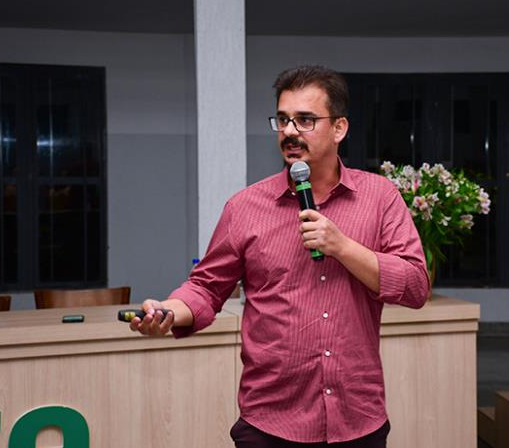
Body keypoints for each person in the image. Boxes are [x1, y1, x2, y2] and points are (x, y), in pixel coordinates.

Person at [130, 65, 430, 447]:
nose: (289, 131)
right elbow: (205, 287)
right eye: (283, 120)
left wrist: (343, 247)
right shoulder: (245, 207)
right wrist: (169, 311)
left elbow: (415, 286)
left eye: (305, 120)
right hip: (270, 424)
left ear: (339, 128)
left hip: (357, 420)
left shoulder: (380, 197)